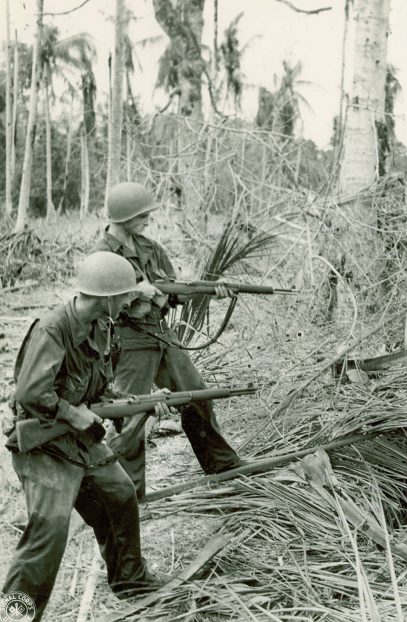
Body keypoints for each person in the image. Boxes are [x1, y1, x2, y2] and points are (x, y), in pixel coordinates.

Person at [2, 252, 166, 621]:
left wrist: (143, 404)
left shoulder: (103, 327)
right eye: (124, 296)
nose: (128, 302)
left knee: (121, 494)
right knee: (50, 529)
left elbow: (100, 393)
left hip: (80, 439)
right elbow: (31, 394)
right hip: (44, 443)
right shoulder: (53, 328)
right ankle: (16, 616)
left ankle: (130, 581)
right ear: (106, 296)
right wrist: (74, 413)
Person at [92, 182, 240, 499]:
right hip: (127, 339)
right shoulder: (101, 255)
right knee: (131, 414)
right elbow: (97, 302)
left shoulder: (150, 248)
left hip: (161, 333)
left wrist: (209, 291)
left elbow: (175, 290)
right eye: (142, 214)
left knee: (197, 393)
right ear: (123, 215)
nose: (148, 219)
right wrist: (135, 292)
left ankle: (221, 464)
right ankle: (128, 492)